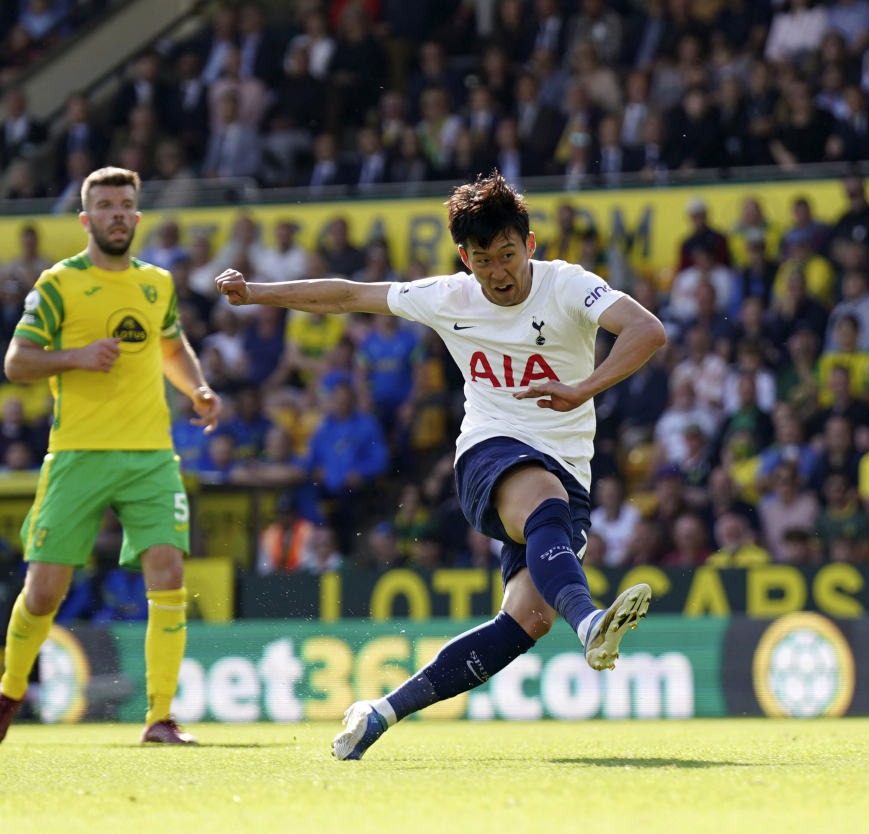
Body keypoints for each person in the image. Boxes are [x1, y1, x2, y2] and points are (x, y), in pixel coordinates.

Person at [216, 172, 666, 760]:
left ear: (529, 244)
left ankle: (379, 713)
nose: (499, 274)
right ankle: (589, 623)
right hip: (490, 450)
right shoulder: (447, 297)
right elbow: (350, 295)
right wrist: (257, 293)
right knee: (541, 499)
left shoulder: (568, 286)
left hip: (567, 469)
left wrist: (585, 387)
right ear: (465, 257)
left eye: (508, 255)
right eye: (483, 261)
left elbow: (646, 330)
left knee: (527, 620)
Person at [0, 168, 224, 746]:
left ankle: (159, 717)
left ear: (138, 216)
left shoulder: (157, 283)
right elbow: (18, 363)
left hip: (151, 454)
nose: (117, 214)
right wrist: (74, 357)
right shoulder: (58, 284)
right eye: (105, 206)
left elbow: (171, 346)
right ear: (86, 220)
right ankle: (10, 691)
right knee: (45, 589)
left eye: (126, 205)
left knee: (169, 573)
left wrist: (195, 388)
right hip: (78, 452)